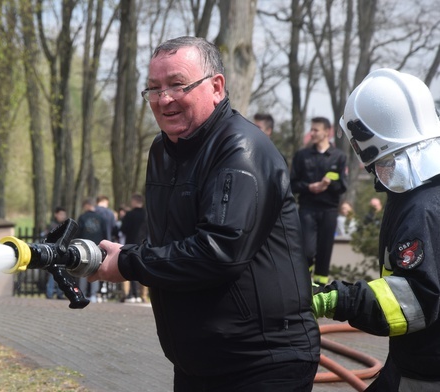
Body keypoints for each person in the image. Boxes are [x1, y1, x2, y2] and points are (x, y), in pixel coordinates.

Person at [90, 36, 319, 391]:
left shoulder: (241, 150)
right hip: (200, 362)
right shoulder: (163, 151)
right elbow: (168, 241)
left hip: (262, 363)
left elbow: (219, 252)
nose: (164, 99)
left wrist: (128, 263)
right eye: (153, 88)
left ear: (216, 87)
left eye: (177, 85)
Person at [313, 68, 440, 391]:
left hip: (425, 372)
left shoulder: (421, 206)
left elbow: (414, 301)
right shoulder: (423, 189)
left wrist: (335, 299)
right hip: (411, 362)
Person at [290, 116, 348, 286]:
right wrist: (309, 187)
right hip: (307, 209)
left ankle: (319, 290)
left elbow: (343, 186)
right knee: (306, 251)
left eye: (316, 130)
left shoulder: (338, 157)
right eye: (311, 129)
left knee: (324, 253)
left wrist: (329, 184)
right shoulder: (302, 155)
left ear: (327, 132)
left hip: (329, 211)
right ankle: (301, 285)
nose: (312, 133)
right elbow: (292, 184)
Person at [75, 198, 107, 303]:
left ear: (86, 205)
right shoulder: (101, 218)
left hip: (85, 247)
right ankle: (94, 294)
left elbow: (78, 232)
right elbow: (105, 232)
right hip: (97, 247)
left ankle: (83, 293)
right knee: (95, 269)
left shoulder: (82, 217)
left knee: (83, 269)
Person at [119, 193, 147, 303]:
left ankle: (128, 294)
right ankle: (143, 295)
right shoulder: (147, 214)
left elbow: (123, 229)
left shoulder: (129, 215)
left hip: (130, 244)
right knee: (143, 269)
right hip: (143, 244)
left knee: (128, 268)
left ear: (134, 201)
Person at [44, 206, 68, 299]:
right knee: (52, 274)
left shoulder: (66, 226)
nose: (63, 216)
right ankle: (49, 293)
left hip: (62, 253)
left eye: (64, 214)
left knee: (62, 274)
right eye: (61, 214)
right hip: (53, 252)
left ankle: (60, 293)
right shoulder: (52, 226)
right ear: (56, 214)